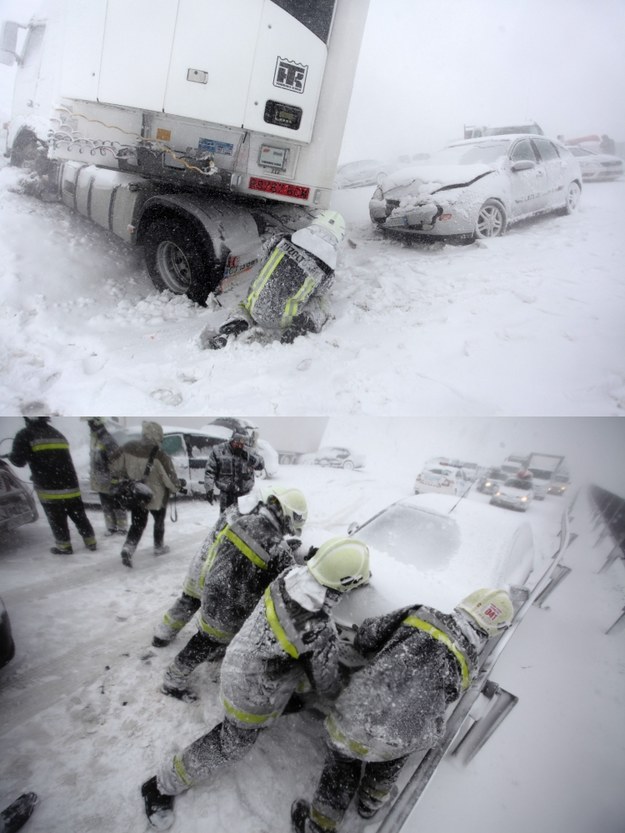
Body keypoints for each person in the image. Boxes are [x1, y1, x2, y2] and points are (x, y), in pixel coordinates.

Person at [141, 537, 371, 831]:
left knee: (298, 695)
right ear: (345, 584)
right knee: (231, 744)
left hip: (241, 659)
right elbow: (328, 685)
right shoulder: (315, 629)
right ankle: (161, 785)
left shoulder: (290, 577)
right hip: (253, 692)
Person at [291, 588, 514, 833]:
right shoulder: (470, 667)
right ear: (493, 630)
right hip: (401, 735)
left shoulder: (421, 614)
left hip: (358, 714)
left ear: (466, 603)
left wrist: (367, 645)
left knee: (341, 766)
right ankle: (370, 803)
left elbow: (368, 635)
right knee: (389, 764)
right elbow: (445, 697)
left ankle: (319, 826)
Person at [160, 486, 308, 700]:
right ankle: (172, 680)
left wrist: (282, 545)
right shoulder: (278, 549)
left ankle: (179, 672)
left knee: (205, 638)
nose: (290, 531)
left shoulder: (243, 522)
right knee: (205, 642)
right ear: (287, 516)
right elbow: (289, 580)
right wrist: (307, 561)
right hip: (232, 608)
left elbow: (246, 552)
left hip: (213, 592)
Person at [199, 210, 346, 349]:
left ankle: (233, 326)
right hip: (285, 318)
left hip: (256, 306)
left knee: (243, 305)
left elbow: (261, 256)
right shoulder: (327, 270)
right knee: (320, 300)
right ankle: (302, 325)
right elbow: (321, 291)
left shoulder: (281, 239)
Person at [8, 417, 96, 555]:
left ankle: (64, 547)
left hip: (50, 488)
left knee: (57, 519)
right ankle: (91, 542)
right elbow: (57, 459)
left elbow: (19, 461)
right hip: (70, 485)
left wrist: (11, 456)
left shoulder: (25, 434)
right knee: (79, 515)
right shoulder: (57, 433)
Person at [111, 421, 182, 568]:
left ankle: (128, 548)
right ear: (157, 435)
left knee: (137, 524)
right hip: (157, 497)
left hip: (138, 494)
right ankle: (158, 546)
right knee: (159, 522)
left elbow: (113, 465)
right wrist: (177, 487)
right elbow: (170, 481)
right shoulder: (161, 456)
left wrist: (126, 476)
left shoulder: (128, 447)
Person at [203, 431, 264, 513]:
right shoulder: (219, 451)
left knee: (244, 521)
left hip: (245, 496)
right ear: (231, 440)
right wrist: (209, 489)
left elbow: (261, 465)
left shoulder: (249, 451)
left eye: (242, 444)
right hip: (227, 495)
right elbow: (210, 472)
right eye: (237, 443)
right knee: (226, 520)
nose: (239, 446)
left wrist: (251, 458)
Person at [87, 418, 127, 536]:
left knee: (117, 505)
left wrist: (115, 479)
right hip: (101, 479)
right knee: (106, 506)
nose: (89, 427)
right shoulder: (94, 439)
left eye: (91, 424)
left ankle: (122, 527)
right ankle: (111, 527)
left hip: (110, 479)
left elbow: (116, 460)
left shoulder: (107, 439)